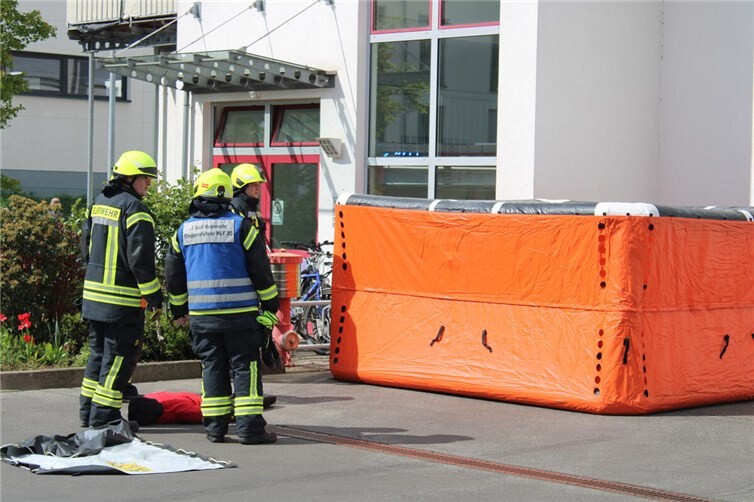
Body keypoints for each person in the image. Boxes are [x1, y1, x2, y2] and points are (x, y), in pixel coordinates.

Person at [165, 168, 280, 445]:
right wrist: (270, 305)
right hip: (241, 315)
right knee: (245, 367)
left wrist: (179, 310)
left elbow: (173, 275)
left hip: (203, 318)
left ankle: (215, 429)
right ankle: (250, 430)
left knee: (212, 367)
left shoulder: (183, 231)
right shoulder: (241, 227)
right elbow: (261, 270)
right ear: (227, 195)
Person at [79, 150, 163, 429]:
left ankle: (88, 411)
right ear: (128, 178)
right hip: (121, 301)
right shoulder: (135, 209)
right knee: (119, 359)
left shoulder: (99, 202)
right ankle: (105, 417)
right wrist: (154, 296)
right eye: (145, 179)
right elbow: (141, 261)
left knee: (98, 355)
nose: (148, 185)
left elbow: (85, 248)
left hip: (93, 297)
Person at [230, 163, 269, 249]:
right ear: (242, 185)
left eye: (259, 184)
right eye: (255, 184)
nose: (258, 188)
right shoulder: (235, 207)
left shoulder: (252, 207)